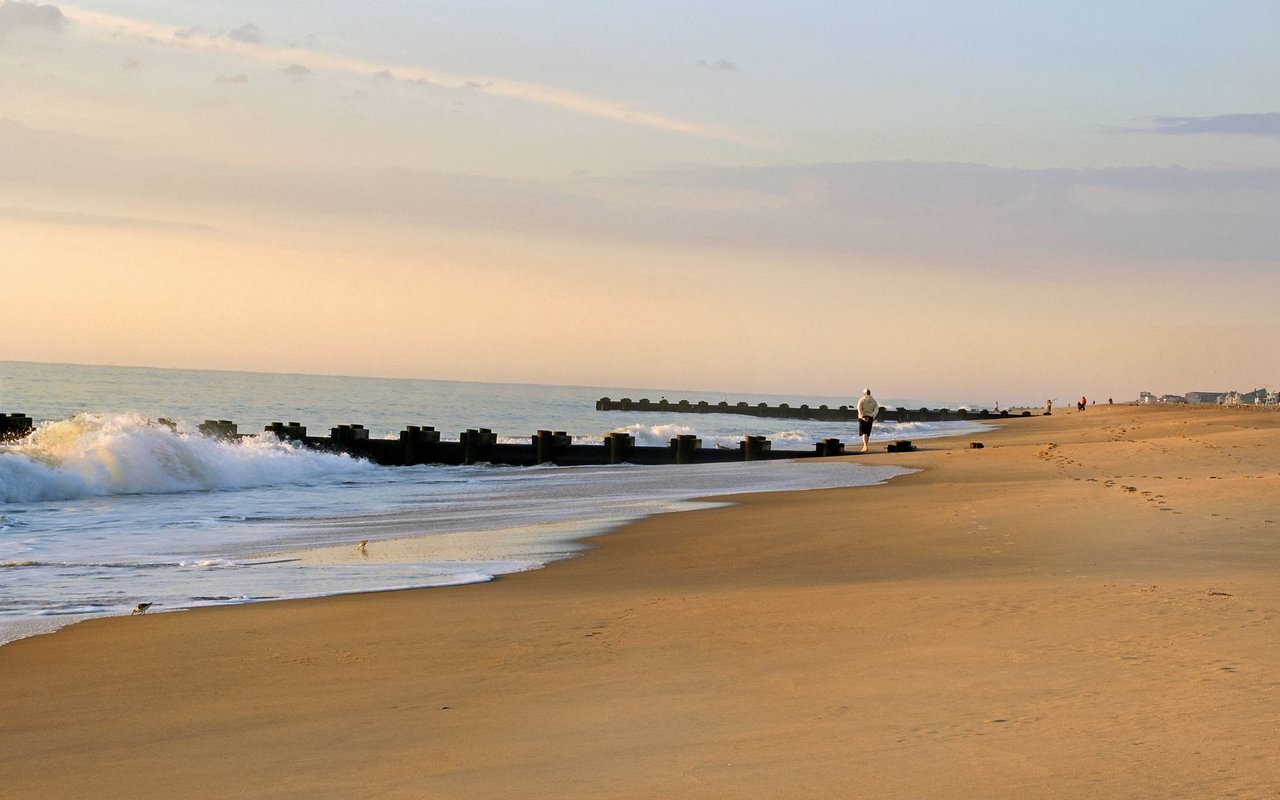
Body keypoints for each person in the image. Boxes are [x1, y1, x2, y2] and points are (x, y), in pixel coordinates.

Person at [856, 388, 879, 452]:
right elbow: (876, 409)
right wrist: (872, 415)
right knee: (867, 433)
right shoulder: (873, 400)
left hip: (863, 417)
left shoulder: (862, 400)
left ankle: (865, 446)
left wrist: (861, 416)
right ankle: (865, 445)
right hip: (870, 417)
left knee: (864, 432)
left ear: (864, 393)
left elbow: (859, 408)